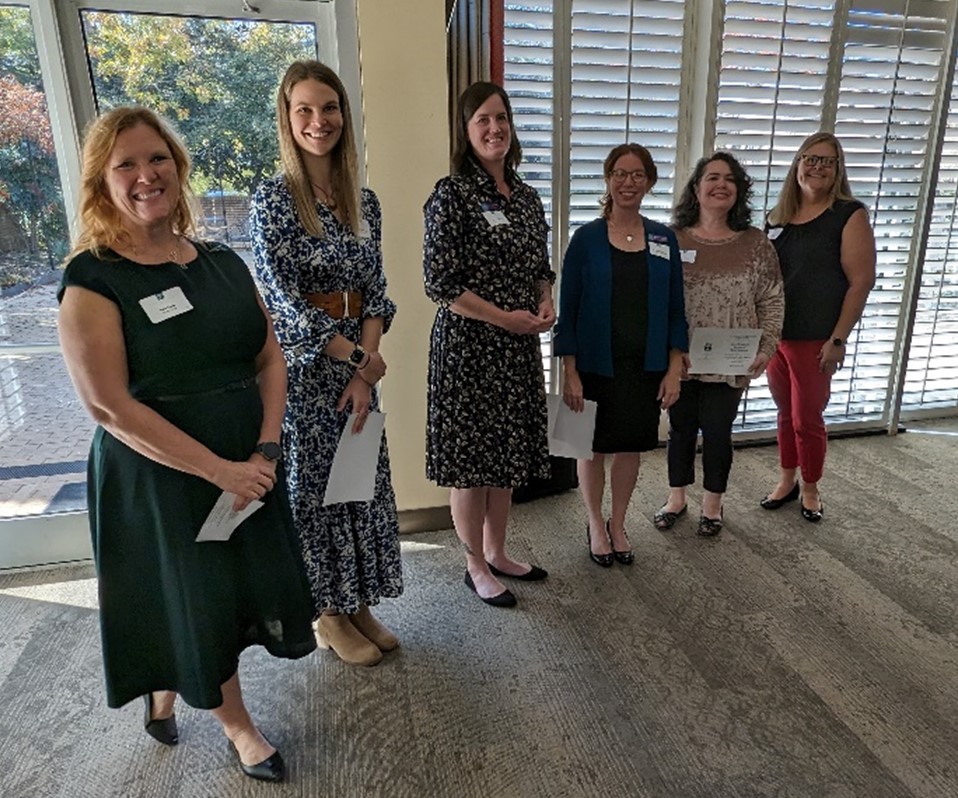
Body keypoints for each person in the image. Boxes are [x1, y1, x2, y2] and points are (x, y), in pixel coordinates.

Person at [57, 106, 317, 783]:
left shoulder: (222, 261)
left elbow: (268, 357)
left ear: (178, 165)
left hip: (245, 460)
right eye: (127, 165)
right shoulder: (92, 279)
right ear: (100, 183)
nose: (147, 176)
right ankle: (238, 726)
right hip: (160, 472)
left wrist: (263, 448)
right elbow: (109, 407)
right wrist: (217, 469)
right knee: (197, 594)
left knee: (222, 590)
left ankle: (164, 687)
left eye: (158, 159)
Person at [249, 61, 403, 666]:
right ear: (288, 119)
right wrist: (354, 357)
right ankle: (328, 613)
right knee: (315, 492)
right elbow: (278, 301)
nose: (320, 122)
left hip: (358, 364)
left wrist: (366, 368)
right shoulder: (273, 200)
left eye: (330, 108)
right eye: (305, 110)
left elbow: (375, 289)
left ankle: (359, 599)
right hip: (307, 371)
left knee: (358, 483)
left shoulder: (363, 201)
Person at [423, 81, 555, 608]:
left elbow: (540, 268)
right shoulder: (450, 195)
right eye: (482, 120)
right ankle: (473, 563)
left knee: (507, 457)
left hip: (517, 345)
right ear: (466, 130)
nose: (494, 128)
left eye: (501, 117)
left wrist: (546, 301)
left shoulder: (525, 197)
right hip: (469, 347)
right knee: (472, 463)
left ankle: (498, 551)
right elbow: (440, 284)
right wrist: (505, 318)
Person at [554, 143, 688, 566]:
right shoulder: (587, 238)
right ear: (607, 179)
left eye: (637, 175)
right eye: (620, 173)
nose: (628, 182)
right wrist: (568, 371)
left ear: (649, 182)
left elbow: (675, 309)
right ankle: (595, 523)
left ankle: (618, 523)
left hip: (643, 365)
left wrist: (673, 367)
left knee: (630, 447)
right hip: (594, 364)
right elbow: (568, 308)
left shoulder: (663, 238)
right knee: (589, 447)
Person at [654, 152, 784, 536]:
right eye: (712, 178)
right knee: (679, 428)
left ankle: (713, 505)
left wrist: (767, 347)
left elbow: (772, 299)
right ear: (696, 188)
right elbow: (655, 298)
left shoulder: (756, 243)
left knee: (717, 430)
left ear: (739, 191)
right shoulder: (669, 239)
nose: (720, 185)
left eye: (729, 179)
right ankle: (676, 497)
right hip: (681, 357)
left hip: (732, 361)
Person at [760, 132, 876, 521]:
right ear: (797, 165)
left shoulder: (848, 214)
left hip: (817, 339)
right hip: (777, 336)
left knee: (807, 418)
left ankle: (810, 487)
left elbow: (862, 281)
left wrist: (838, 339)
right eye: (810, 159)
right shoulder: (778, 218)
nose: (817, 167)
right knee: (783, 412)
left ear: (838, 169)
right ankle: (787, 478)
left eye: (827, 161)